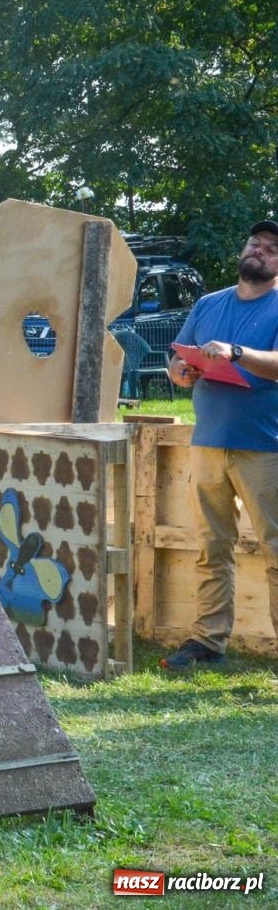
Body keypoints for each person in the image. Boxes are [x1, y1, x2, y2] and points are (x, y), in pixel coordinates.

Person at [160, 219, 278, 671]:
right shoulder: (209, 303)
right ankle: (208, 641)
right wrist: (180, 371)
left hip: (265, 445)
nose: (260, 251)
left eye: (271, 249)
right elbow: (178, 358)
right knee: (211, 547)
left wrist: (237, 353)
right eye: (255, 243)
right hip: (208, 440)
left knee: (275, 547)